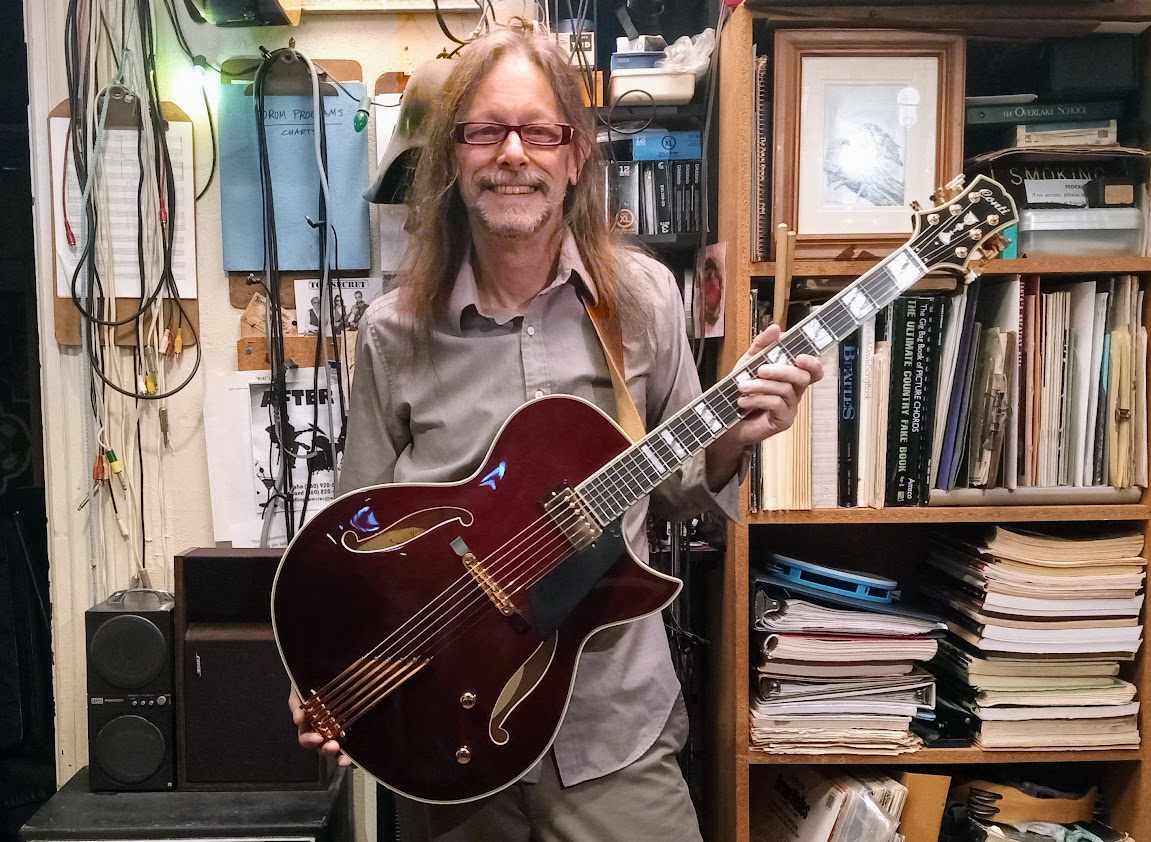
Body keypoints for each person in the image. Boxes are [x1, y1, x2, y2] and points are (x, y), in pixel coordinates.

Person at [289, 20, 821, 842]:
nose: (512, 153)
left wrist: (741, 431)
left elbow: (677, 489)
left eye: (539, 131)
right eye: (484, 131)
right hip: (448, 738)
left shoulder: (642, 300)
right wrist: (325, 668)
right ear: (453, 158)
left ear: (573, 156)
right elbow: (351, 542)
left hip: (614, 735)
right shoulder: (393, 331)